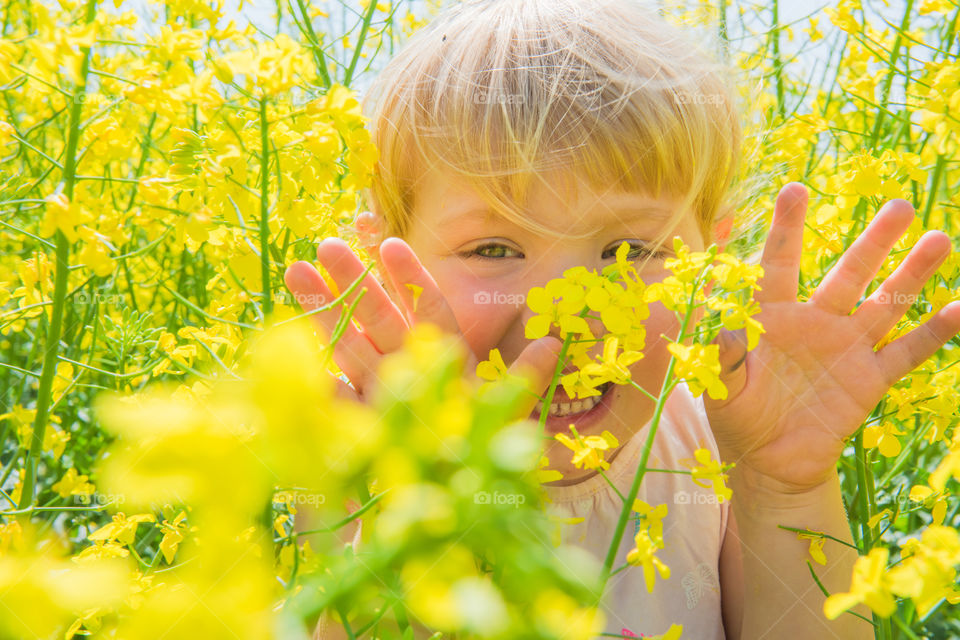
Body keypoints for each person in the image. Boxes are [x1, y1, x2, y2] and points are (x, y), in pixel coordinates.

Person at [284, 0, 960, 637]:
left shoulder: (720, 448)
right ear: (383, 265)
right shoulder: (356, 472)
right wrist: (435, 497)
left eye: (630, 251)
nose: (569, 316)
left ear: (711, 262)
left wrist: (783, 487)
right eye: (494, 249)